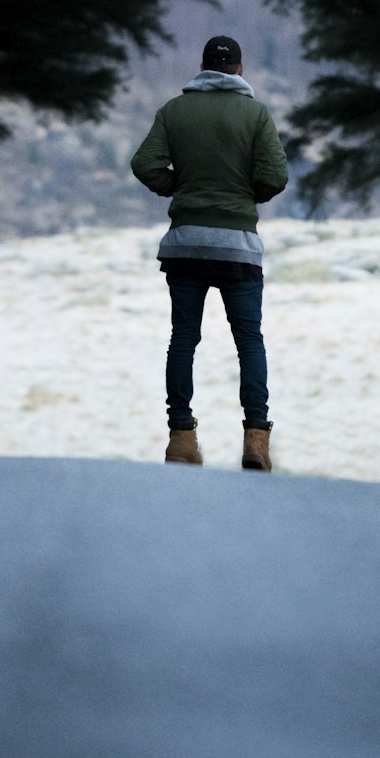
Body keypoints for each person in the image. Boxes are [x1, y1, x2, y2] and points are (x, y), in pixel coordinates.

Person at [130, 35, 289, 469]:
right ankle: (255, 440)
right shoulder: (255, 115)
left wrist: (178, 188)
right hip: (238, 247)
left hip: (186, 246)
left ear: (202, 68)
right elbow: (275, 177)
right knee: (249, 341)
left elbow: (144, 164)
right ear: (239, 69)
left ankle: (181, 437)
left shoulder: (174, 111)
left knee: (183, 338)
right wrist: (243, 197)